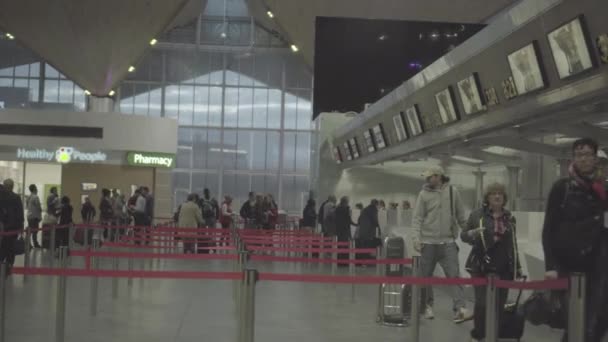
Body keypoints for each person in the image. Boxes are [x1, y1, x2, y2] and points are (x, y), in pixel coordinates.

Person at [542, 138, 608, 342]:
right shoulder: (562, 188)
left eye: (589, 154)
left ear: (595, 158)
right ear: (573, 158)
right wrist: (550, 265)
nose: (584, 159)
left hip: (598, 263)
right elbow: (548, 230)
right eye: (580, 154)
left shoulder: (603, 188)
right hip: (569, 264)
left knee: (598, 320)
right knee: (575, 321)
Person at [461, 183, 522, 342]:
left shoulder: (510, 217)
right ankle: (478, 335)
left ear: (504, 198)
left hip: (503, 267)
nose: (497, 196)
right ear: (487, 198)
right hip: (480, 265)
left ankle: (493, 335)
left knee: (499, 306)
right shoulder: (477, 215)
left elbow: (513, 244)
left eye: (500, 193)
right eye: (493, 193)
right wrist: (472, 234)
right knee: (482, 304)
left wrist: (517, 268)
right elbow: (463, 236)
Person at [411, 166, 470, 323]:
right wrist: (416, 239)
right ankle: (427, 306)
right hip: (428, 242)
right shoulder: (423, 195)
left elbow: (460, 215)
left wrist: (468, 232)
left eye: (430, 177)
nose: (427, 179)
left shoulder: (453, 192)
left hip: (448, 242)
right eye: (427, 177)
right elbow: (417, 218)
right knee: (426, 277)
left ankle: (460, 309)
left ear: (439, 177)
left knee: (454, 275)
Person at [0, 179, 24, 274]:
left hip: (3, 226)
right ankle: (9, 266)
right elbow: (20, 212)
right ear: (12, 186)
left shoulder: (1, 197)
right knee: (10, 246)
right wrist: (21, 225)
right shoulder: (16, 197)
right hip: (13, 227)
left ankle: (2, 263)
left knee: (3, 246)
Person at [335, 196, 356, 266]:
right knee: (345, 245)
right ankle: (345, 261)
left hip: (338, 230)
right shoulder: (346, 209)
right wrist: (356, 224)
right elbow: (348, 220)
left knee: (339, 245)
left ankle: (339, 261)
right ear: (346, 202)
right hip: (345, 230)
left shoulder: (337, 209)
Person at [26, 184, 42, 248]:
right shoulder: (35, 197)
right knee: (35, 231)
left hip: (29, 216)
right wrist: (40, 214)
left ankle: (28, 243)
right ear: (34, 189)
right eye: (36, 188)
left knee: (30, 230)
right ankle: (35, 244)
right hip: (34, 217)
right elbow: (38, 207)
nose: (37, 189)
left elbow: (27, 206)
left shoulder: (28, 197)